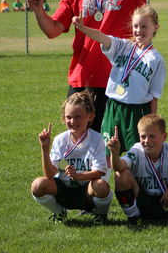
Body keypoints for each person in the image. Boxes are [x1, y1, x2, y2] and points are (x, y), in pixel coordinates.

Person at [25, 0, 146, 133]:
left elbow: (143, 35)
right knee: (79, 143)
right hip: (83, 78)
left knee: (114, 146)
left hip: (119, 79)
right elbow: (53, 30)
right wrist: (38, 11)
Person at [72, 4, 166, 154]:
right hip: (114, 107)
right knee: (108, 150)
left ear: (155, 27)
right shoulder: (124, 47)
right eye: (136, 26)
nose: (139, 30)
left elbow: (154, 95)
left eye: (144, 26)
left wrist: (152, 121)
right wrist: (83, 29)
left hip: (137, 111)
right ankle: (103, 178)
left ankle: (131, 178)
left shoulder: (156, 59)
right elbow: (102, 37)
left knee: (136, 154)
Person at [30, 91, 112, 224]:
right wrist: (45, 149)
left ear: (90, 117)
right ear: (64, 118)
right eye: (69, 117)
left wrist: (78, 176)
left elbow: (100, 171)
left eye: (78, 117)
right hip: (64, 190)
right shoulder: (60, 140)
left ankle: (100, 214)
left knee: (101, 186)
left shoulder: (97, 139)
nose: (73, 121)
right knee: (38, 185)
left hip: (87, 192)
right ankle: (59, 212)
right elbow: (50, 174)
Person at [108, 114, 168, 224]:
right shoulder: (136, 150)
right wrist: (114, 153)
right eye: (143, 136)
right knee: (121, 174)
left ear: (164, 137)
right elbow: (118, 167)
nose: (147, 141)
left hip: (166, 198)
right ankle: (134, 216)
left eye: (152, 136)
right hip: (141, 199)